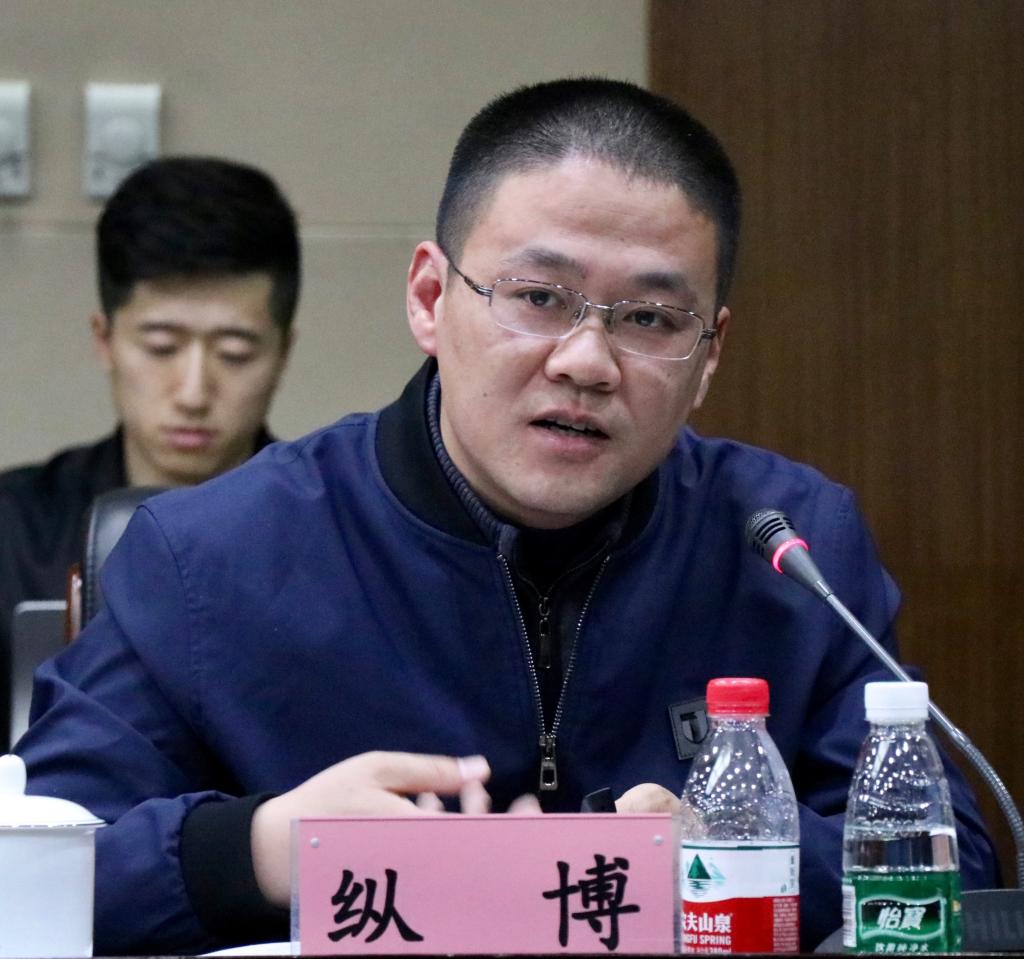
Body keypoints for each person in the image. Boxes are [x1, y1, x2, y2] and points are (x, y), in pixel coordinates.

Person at [18, 79, 997, 954]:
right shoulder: (212, 552)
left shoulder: (788, 542)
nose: (586, 361)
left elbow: (948, 856)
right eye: (538, 297)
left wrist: (726, 856)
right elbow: (36, 870)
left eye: (650, 318)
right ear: (429, 297)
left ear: (708, 355)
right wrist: (267, 847)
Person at [0, 156, 300, 746]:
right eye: (161, 346)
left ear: (283, 352)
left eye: (235, 353)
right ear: (105, 339)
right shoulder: (13, 530)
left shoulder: (335, 529)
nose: (193, 393)